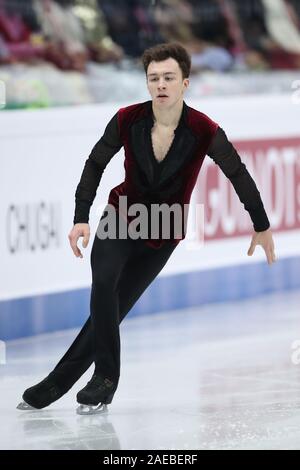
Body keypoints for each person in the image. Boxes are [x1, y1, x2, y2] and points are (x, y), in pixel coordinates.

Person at [17, 42, 276, 415]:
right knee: (103, 282)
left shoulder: (204, 129)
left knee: (114, 308)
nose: (161, 85)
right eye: (153, 78)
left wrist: (261, 225)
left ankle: (54, 385)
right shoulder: (126, 118)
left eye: (169, 77)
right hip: (120, 217)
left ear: (185, 83)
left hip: (163, 232)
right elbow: (95, 162)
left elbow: (237, 173)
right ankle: (105, 379)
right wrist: (80, 217)